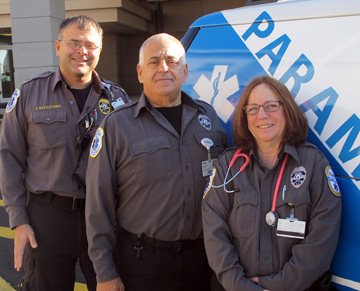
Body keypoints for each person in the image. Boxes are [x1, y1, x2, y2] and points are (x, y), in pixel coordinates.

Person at [85, 33, 228, 291]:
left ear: (185, 71)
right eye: (154, 62)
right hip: (143, 263)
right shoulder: (117, 126)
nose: (164, 68)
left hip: (204, 260)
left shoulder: (209, 118)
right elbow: (98, 205)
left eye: (172, 61)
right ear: (140, 72)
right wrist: (104, 272)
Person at [0, 15, 129, 291]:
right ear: (58, 47)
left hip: (105, 218)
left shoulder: (117, 100)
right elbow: (9, 158)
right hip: (48, 217)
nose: (82, 51)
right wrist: (19, 221)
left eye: (90, 45)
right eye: (74, 43)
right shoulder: (30, 95)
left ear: (99, 50)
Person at [202, 76, 342, 291]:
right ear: (245, 116)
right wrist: (241, 287)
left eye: (271, 106)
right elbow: (215, 235)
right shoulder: (227, 166)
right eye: (253, 109)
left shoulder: (313, 164)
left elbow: (321, 242)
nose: (262, 115)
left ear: (287, 110)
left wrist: (278, 286)